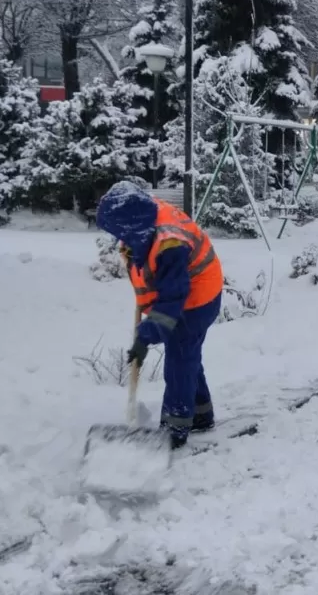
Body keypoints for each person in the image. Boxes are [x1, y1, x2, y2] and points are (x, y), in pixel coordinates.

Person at [95, 181, 224, 450]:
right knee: (185, 354)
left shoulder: (170, 244)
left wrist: (147, 334)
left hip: (198, 297)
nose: (117, 238)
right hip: (184, 293)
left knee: (179, 359)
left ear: (131, 225)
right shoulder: (144, 217)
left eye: (119, 231)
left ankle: (175, 428)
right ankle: (200, 413)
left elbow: (173, 298)